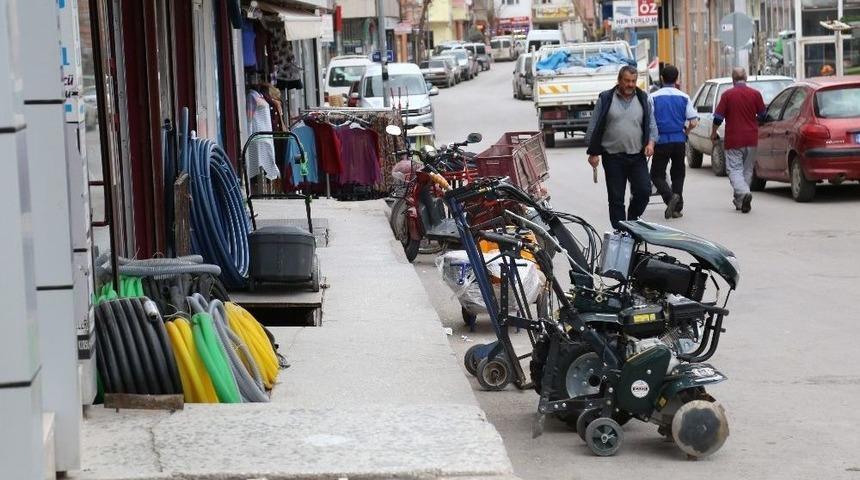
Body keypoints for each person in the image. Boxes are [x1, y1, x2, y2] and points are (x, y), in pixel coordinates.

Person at [585, 65, 658, 230]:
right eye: (627, 81)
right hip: (613, 158)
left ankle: (632, 222)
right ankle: (620, 231)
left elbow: (652, 125)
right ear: (619, 80)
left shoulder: (643, 98)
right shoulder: (606, 98)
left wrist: (651, 143)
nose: (631, 85)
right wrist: (593, 152)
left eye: (633, 81)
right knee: (616, 198)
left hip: (637, 156)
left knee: (644, 191)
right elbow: (595, 125)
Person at [711, 67, 765, 213]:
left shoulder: (727, 95)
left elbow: (718, 118)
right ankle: (741, 202)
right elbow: (762, 116)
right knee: (747, 170)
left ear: (732, 79)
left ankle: (744, 192)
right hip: (752, 138)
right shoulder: (755, 94)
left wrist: (713, 132)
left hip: (734, 138)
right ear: (746, 78)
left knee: (734, 170)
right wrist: (753, 122)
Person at [650, 64, 698, 219]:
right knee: (678, 174)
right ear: (677, 79)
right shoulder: (684, 97)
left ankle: (670, 197)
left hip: (661, 140)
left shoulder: (653, 97)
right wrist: (686, 131)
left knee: (657, 174)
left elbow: (649, 120)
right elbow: (693, 121)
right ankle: (677, 208)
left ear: (662, 79)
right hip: (679, 140)